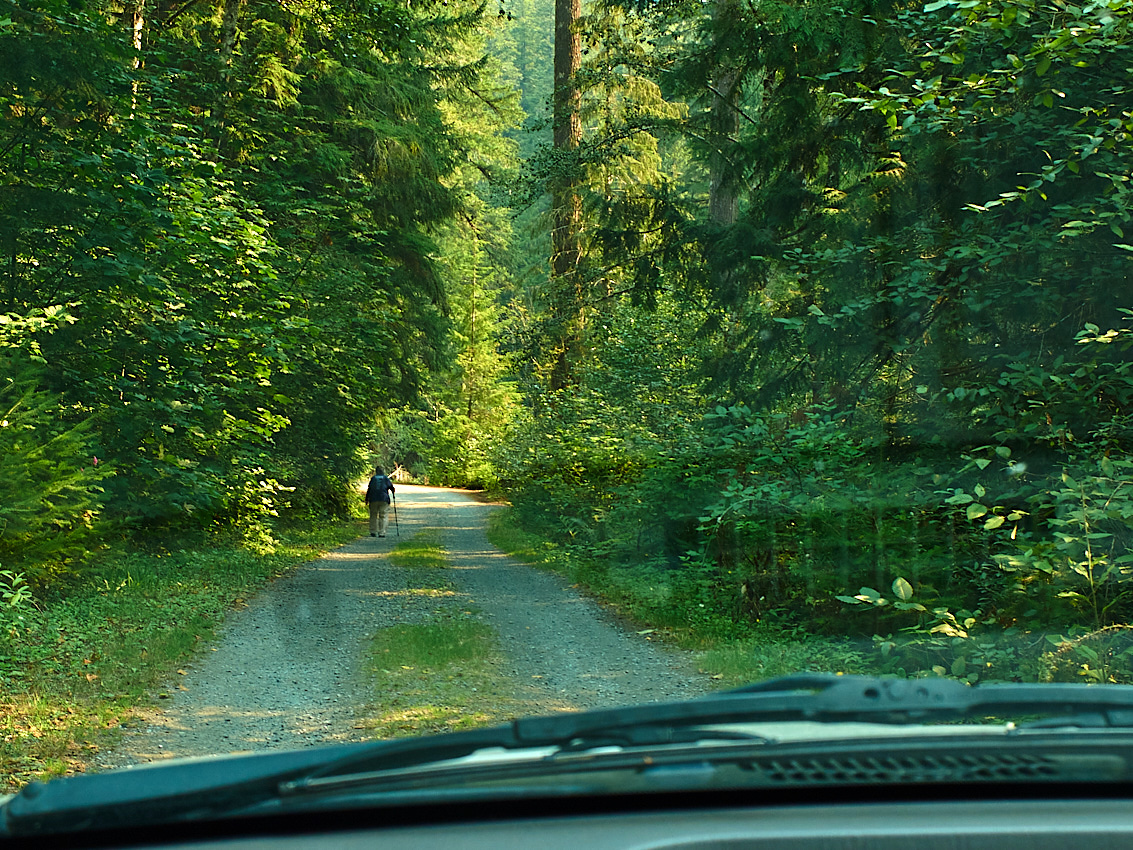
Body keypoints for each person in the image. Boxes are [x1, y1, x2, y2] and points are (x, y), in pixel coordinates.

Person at [364, 466, 395, 538]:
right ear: (383, 471)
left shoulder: (373, 479)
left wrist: (367, 499)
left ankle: (373, 531)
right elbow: (391, 487)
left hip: (373, 499)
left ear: (376, 471)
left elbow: (369, 489)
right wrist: (393, 493)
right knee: (383, 515)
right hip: (384, 499)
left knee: (373, 515)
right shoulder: (385, 478)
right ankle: (382, 532)